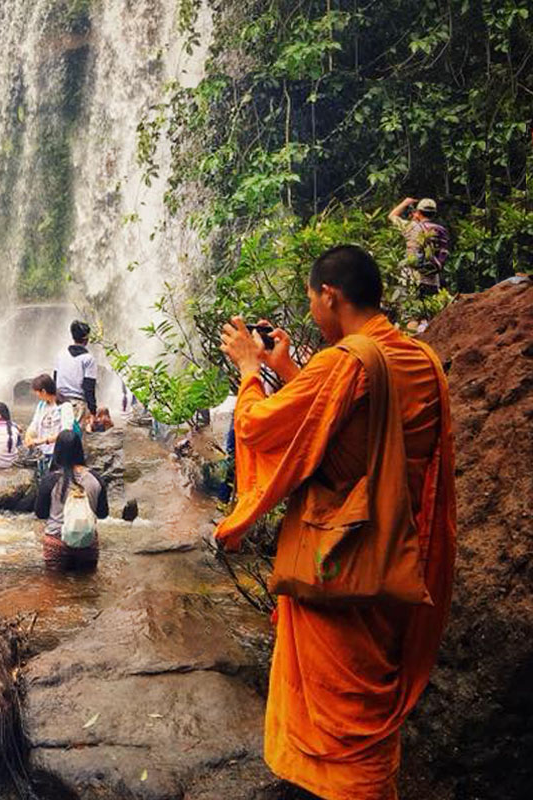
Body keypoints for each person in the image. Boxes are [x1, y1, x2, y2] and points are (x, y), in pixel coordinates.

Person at [215, 244, 455, 799]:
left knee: (339, 721)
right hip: (394, 558)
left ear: (331, 295)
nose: (312, 312)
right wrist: (288, 369)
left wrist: (251, 371)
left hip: (340, 566)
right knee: (368, 714)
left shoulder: (345, 364)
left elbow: (261, 430)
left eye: (312, 300)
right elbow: (355, 433)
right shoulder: (421, 360)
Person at [35, 430, 109, 571]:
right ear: (79, 450)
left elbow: (40, 514)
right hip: (86, 541)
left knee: (55, 588)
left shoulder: (50, 480)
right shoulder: (96, 478)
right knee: (88, 586)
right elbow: (103, 514)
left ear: (58, 451)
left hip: (56, 542)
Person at [388, 196, 451, 299]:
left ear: (418, 212)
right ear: (434, 214)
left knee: (409, 311)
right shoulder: (440, 230)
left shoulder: (411, 227)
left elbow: (392, 216)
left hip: (411, 278)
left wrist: (405, 202)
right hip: (433, 280)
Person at [25, 374, 76, 475]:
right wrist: (28, 435)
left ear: (43, 391)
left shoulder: (64, 406)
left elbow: (66, 433)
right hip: (43, 453)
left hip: (59, 454)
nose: (37, 396)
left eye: (37, 393)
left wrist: (42, 441)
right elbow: (34, 423)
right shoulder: (41, 405)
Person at [53, 320, 98, 428]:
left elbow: (54, 380)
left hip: (60, 401)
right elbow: (89, 387)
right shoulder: (88, 359)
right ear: (86, 339)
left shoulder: (60, 355)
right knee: (75, 439)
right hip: (77, 404)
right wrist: (93, 410)